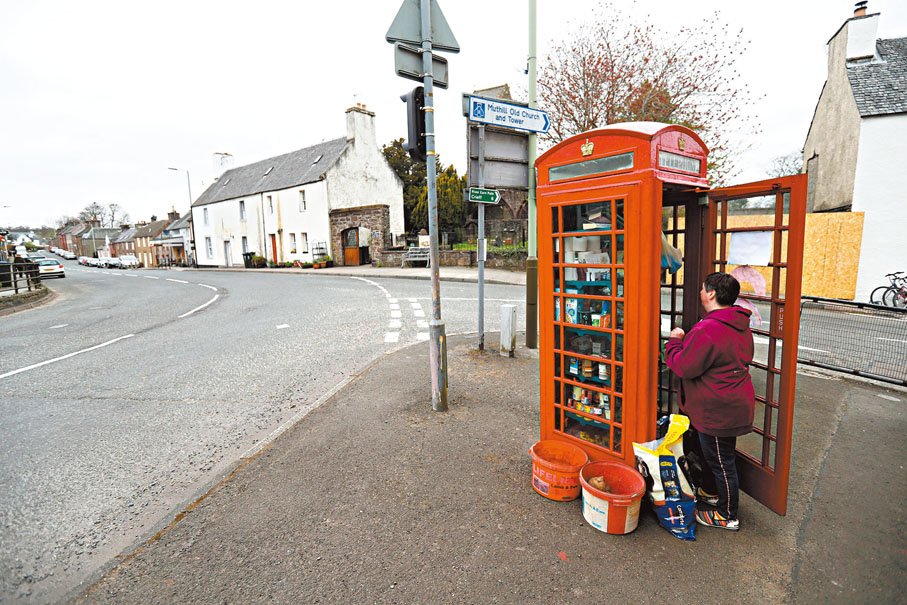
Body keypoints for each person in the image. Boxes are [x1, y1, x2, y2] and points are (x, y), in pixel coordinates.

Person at [665, 272, 755, 531]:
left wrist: (675, 342)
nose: (701, 293)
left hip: (718, 407)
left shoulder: (708, 328)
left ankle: (728, 515)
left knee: (721, 462)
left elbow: (684, 366)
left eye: (703, 289)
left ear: (712, 293)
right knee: (717, 455)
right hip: (732, 400)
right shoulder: (738, 323)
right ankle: (713, 492)